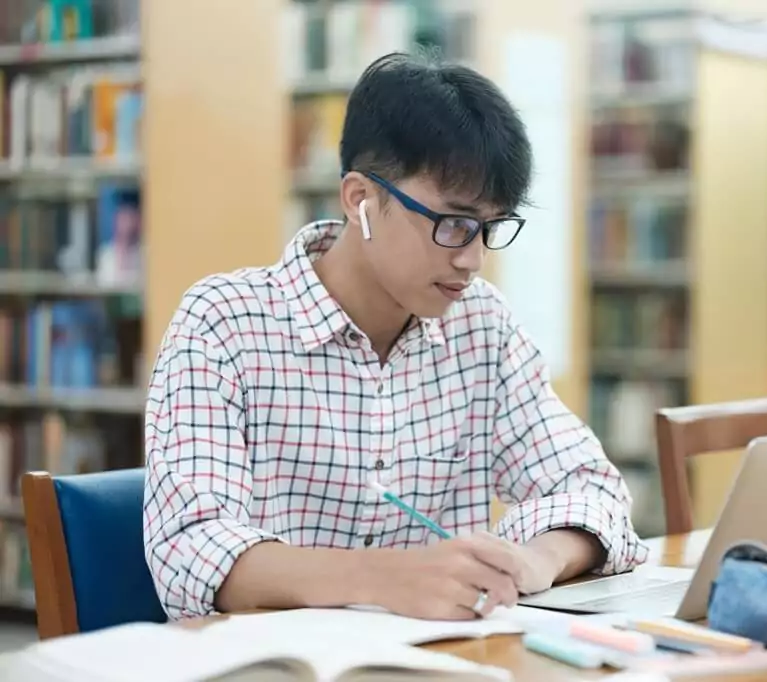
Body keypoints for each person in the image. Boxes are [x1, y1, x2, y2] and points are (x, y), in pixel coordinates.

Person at [143, 51, 647, 622]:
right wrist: (389, 578)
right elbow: (189, 552)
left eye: (491, 229)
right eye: (453, 225)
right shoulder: (223, 324)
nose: (473, 259)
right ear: (361, 200)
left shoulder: (480, 323)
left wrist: (535, 559)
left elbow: (593, 489)